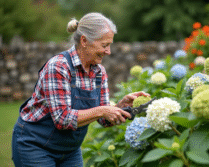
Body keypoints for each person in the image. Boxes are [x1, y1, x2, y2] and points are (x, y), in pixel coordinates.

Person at [12, 12, 150, 167]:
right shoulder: (58, 66)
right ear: (84, 40)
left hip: (69, 150)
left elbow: (104, 119)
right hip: (35, 145)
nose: (109, 51)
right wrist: (103, 110)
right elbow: (62, 119)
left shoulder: (99, 72)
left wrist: (121, 106)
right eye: (104, 45)